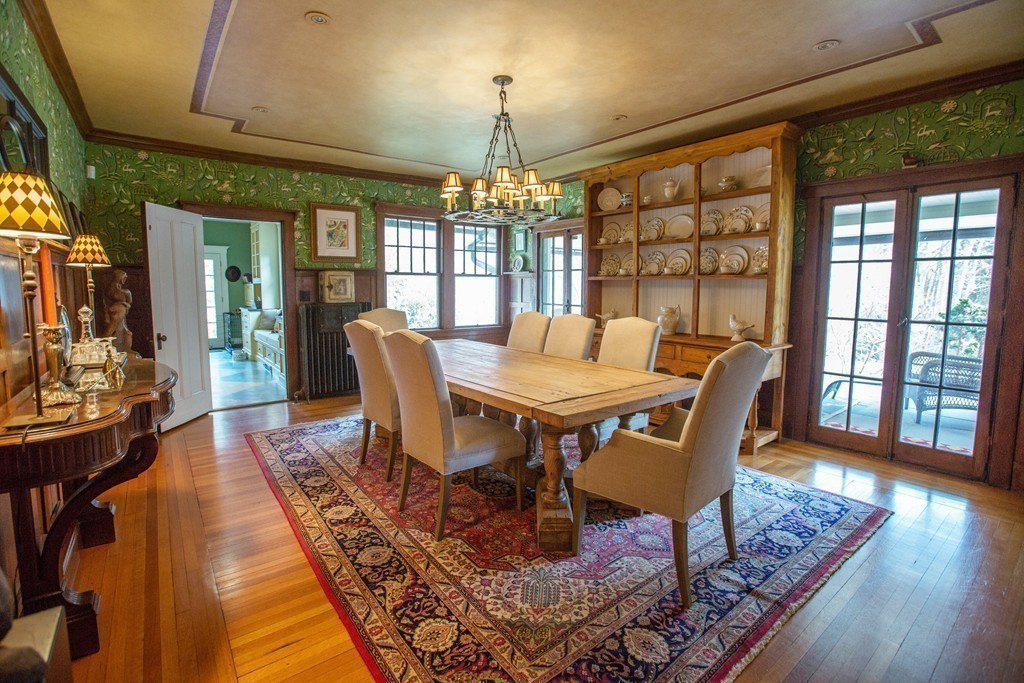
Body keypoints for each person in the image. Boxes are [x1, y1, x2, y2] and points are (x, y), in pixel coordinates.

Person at [102, 268, 134, 353]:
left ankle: (126, 350)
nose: (124, 280)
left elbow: (129, 302)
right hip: (115, 312)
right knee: (112, 329)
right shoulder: (111, 289)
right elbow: (106, 302)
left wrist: (125, 304)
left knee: (126, 332)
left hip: (122, 312)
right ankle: (105, 347)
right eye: (123, 278)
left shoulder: (125, 291)